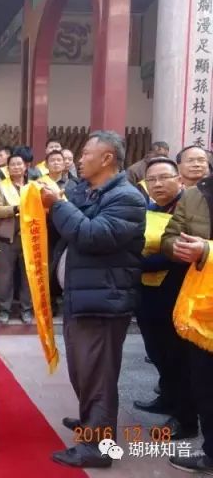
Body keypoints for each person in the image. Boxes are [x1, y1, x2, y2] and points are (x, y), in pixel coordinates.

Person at [42, 130, 146, 469]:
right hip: (82, 296)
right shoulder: (87, 190)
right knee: (83, 370)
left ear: (107, 159)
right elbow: (67, 224)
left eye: (87, 153)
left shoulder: (127, 198)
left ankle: (98, 446)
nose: (80, 158)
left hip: (104, 300)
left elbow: (92, 235)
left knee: (97, 375)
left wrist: (58, 204)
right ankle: (90, 422)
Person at [131, 158, 197, 441]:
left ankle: (186, 420)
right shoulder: (149, 209)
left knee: (178, 357)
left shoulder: (191, 211)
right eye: (152, 179)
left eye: (164, 178)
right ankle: (167, 399)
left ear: (179, 180)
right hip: (148, 293)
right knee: (157, 351)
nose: (157, 185)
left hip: (178, 292)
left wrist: (134, 263)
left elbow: (178, 255)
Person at [160, 171, 213, 474]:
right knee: (205, 384)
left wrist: (206, 250)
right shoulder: (194, 195)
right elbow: (170, 235)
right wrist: (176, 248)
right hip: (203, 307)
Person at [0, 154, 33, 324]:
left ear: (25, 167)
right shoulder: (1, 187)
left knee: (27, 276)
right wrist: (15, 208)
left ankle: (27, 309)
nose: (16, 167)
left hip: (29, 237)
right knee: (5, 276)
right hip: (6, 238)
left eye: (19, 164)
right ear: (7, 169)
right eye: (12, 165)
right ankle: (4, 309)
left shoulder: (33, 187)